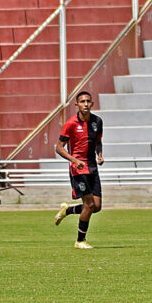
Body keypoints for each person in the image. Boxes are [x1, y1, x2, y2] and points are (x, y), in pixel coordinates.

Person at [53, 91, 104, 249]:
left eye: (88, 101)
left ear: (92, 104)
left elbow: (98, 143)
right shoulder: (71, 124)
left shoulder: (97, 122)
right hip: (78, 169)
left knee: (96, 206)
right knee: (88, 204)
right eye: (82, 101)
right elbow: (59, 148)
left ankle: (67, 210)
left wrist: (100, 155)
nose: (86, 104)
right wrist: (74, 160)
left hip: (92, 168)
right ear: (77, 105)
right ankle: (80, 240)